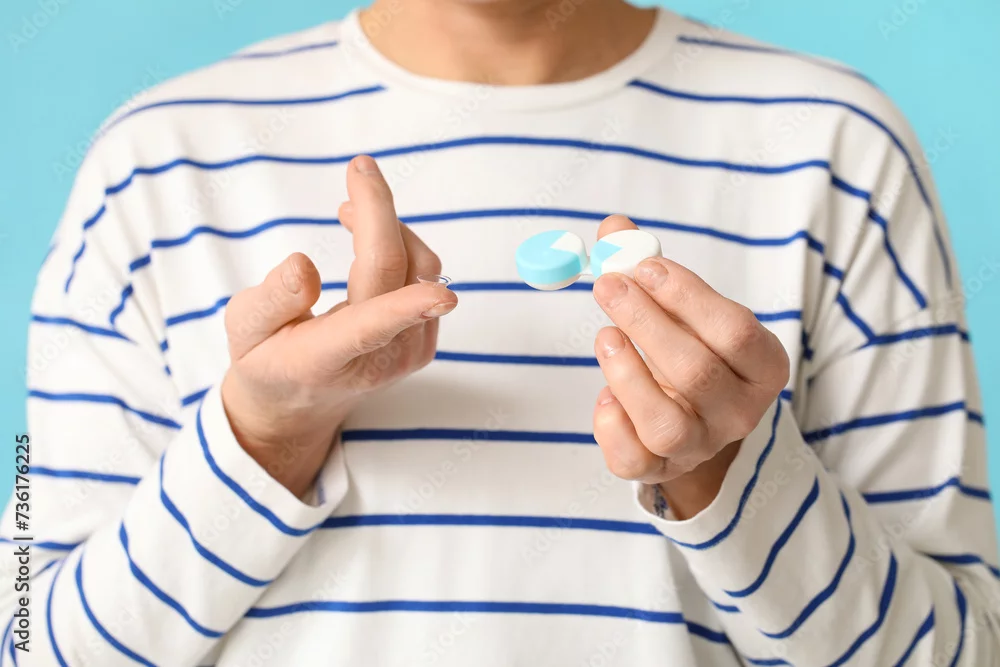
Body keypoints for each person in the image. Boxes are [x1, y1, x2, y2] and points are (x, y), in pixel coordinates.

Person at [3, 0, 997, 663]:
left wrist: (728, 476)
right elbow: (26, 636)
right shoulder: (154, 164)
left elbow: (961, 650)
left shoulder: (835, 145)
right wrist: (262, 441)